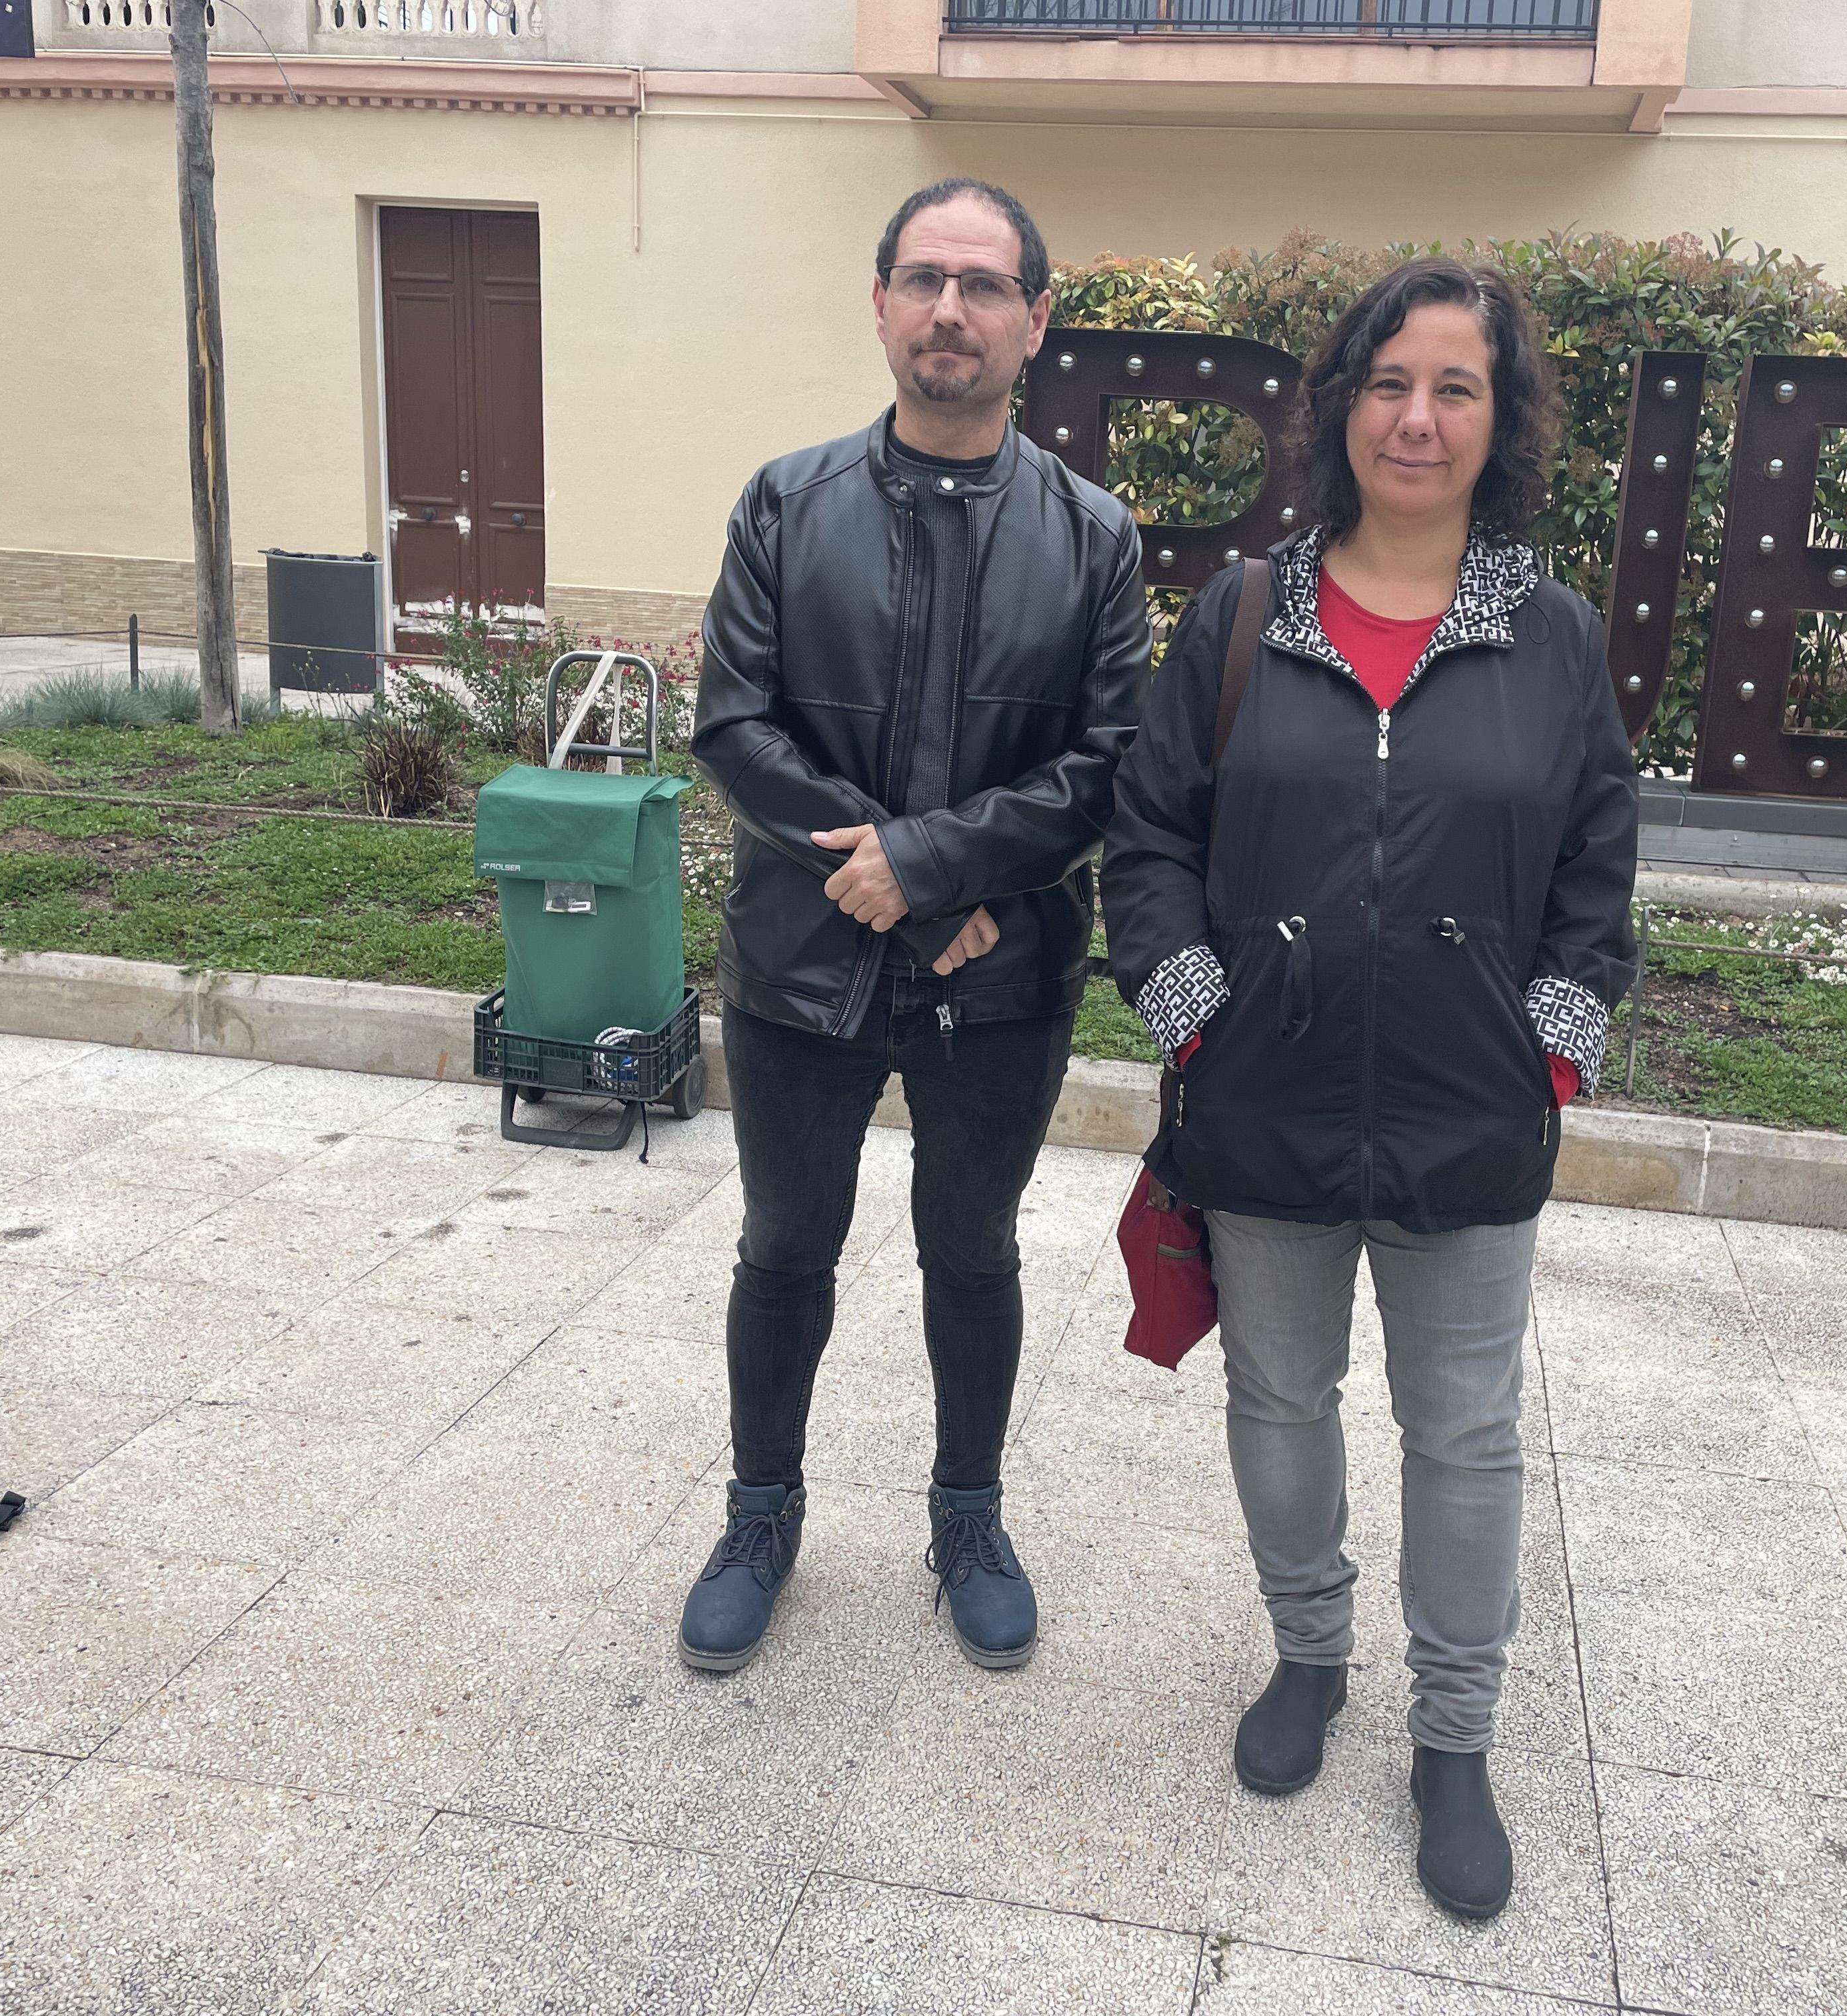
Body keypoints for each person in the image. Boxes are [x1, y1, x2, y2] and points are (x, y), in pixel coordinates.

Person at [1100, 257, 1638, 1919]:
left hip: (1472, 1119)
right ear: (1342, 408)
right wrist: (1195, 1012)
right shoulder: (1245, 613)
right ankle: (1309, 1657)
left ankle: (1457, 1740)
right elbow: (1151, 835)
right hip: (1260, 1104)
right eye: (1390, 382)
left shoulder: (1552, 636)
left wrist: (1549, 1045)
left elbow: (1600, 870)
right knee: (1277, 1400)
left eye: (1456, 387)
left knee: (1465, 1435)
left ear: (1501, 419)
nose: (1419, 416)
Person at [682, 179, 1147, 1675]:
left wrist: (938, 874)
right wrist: (893, 888)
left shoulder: (1095, 538)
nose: (952, 310)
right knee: (785, 1247)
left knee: (974, 1250)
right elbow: (738, 727)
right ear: (879, 300)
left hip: (998, 971)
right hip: (801, 967)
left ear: (1036, 320)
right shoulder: (783, 503)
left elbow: (1106, 764)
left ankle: (968, 1517)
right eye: (925, 278)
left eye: (985, 285)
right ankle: (761, 1515)